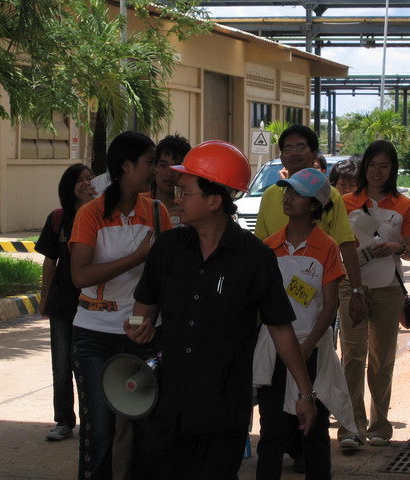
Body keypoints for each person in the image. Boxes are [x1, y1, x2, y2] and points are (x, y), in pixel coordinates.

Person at [124, 140, 317, 479]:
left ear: (214, 201)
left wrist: (304, 392)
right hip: (166, 406)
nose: (177, 199)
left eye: (186, 192)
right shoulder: (167, 248)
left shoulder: (255, 258)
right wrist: (137, 327)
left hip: (223, 409)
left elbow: (280, 327)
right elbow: (144, 307)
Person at [253, 124, 365, 468]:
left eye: (297, 194)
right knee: (271, 425)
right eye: (286, 191)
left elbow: (329, 302)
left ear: (315, 204)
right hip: (273, 345)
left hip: (312, 345)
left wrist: (311, 342)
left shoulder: (326, 245)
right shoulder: (270, 245)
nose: (287, 198)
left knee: (314, 424)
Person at [69, 131, 172, 479]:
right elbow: (80, 275)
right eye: (150, 163)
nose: (155, 170)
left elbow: (164, 277)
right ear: (126, 166)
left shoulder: (157, 213)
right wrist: (137, 257)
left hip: (144, 335)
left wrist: (151, 320)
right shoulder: (91, 214)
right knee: (99, 431)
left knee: (146, 431)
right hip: (94, 335)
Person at [339, 139, 410, 449]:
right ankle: (351, 427)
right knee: (352, 355)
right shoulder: (345, 202)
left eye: (384, 166)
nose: (377, 171)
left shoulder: (405, 205)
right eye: (372, 165)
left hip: (388, 289)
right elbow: (336, 246)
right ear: (364, 168)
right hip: (350, 287)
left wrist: (396, 247)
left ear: (393, 169)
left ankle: (379, 425)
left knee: (381, 359)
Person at [35, 163, 96, 441]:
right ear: (69, 186)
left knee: (88, 366)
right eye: (80, 179)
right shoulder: (58, 218)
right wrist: (44, 295)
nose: (86, 183)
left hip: (93, 305)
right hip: (62, 304)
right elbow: (50, 260)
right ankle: (63, 421)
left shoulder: (101, 216)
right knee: (61, 368)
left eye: (89, 178)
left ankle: (93, 421)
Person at [150, 133, 191, 227]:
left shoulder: (190, 212)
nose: (169, 173)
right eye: (163, 165)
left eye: (176, 167)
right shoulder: (139, 203)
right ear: (154, 167)